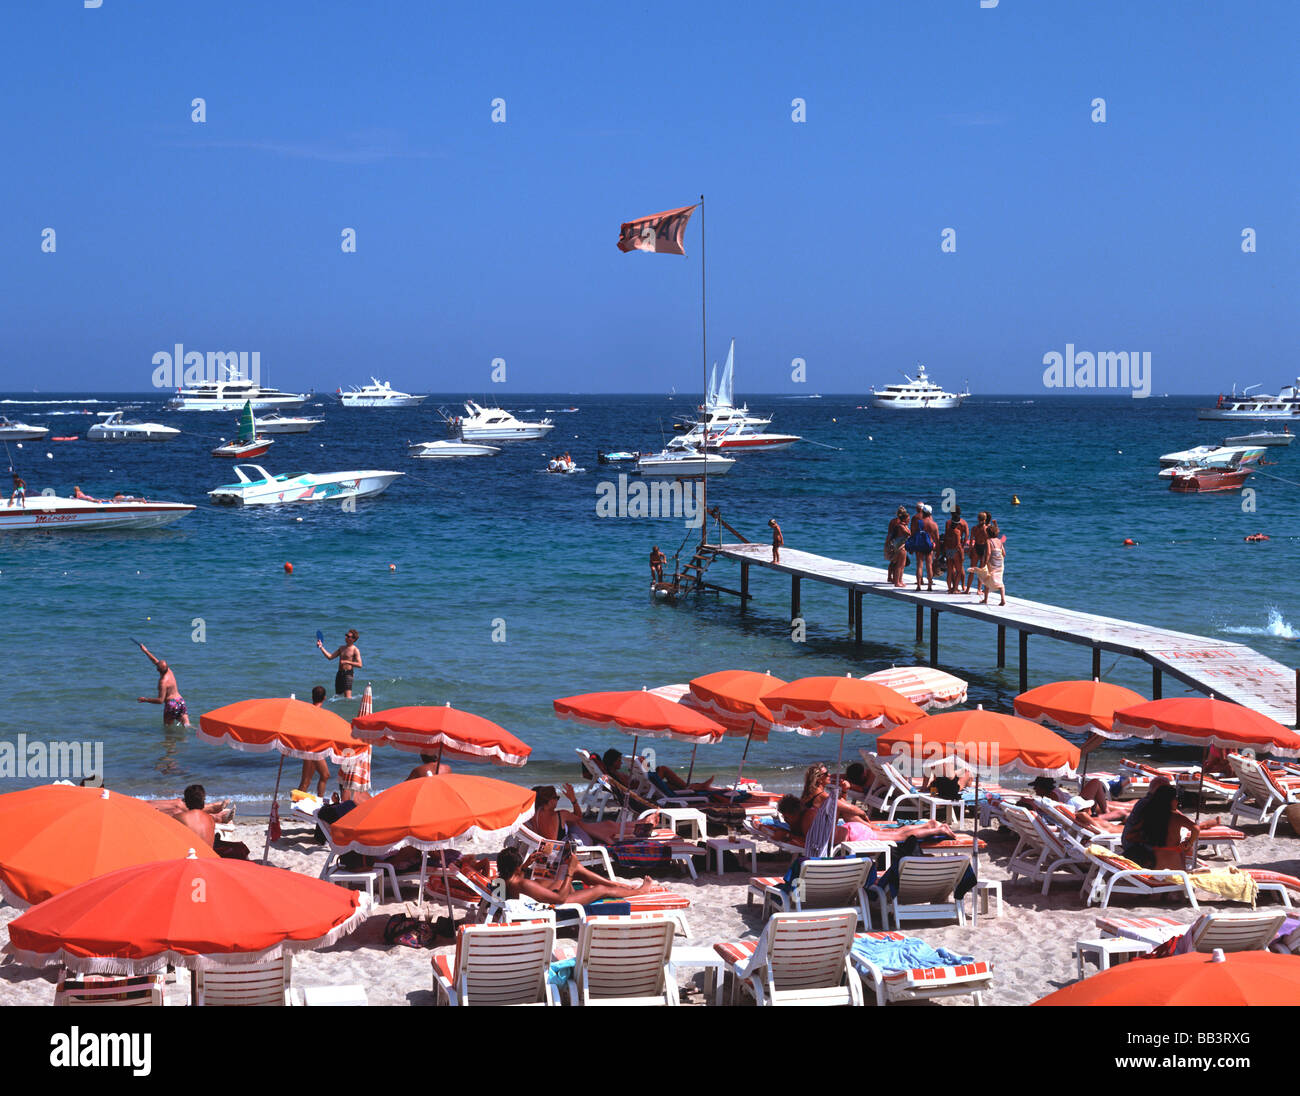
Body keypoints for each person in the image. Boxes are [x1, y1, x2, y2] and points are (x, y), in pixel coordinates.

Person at [495, 846, 655, 908]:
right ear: (516, 867)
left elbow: (506, 887)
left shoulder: (502, 880)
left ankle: (618, 885)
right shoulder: (523, 884)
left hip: (540, 899)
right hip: (556, 906)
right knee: (600, 889)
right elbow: (560, 899)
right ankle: (640, 892)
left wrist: (526, 865)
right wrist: (569, 874)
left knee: (570, 868)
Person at [1121, 783, 1219, 870]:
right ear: (1169, 800)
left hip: (1155, 863)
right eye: (1175, 798)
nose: (1178, 801)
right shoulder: (1176, 817)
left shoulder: (1150, 815)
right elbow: (1196, 828)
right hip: (1174, 864)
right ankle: (1212, 822)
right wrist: (1189, 843)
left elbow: (1131, 835)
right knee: (1188, 849)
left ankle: (1211, 822)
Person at [135, 641, 190, 726]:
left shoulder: (163, 682)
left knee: (168, 729)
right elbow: (154, 660)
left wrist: (145, 700)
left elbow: (160, 700)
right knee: (187, 725)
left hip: (171, 704)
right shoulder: (169, 671)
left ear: (157, 670)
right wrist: (145, 651)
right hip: (180, 701)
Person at [297, 685, 331, 797]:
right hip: (314, 749)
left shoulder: (308, 711)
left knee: (306, 780)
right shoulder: (321, 713)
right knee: (325, 774)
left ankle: (296, 805)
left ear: (312, 697)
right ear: (324, 698)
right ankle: (320, 802)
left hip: (308, 748)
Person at [318, 628, 362, 698]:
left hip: (348, 674)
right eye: (346, 635)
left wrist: (346, 661)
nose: (346, 637)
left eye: (348, 636)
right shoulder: (342, 648)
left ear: (353, 639)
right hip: (339, 673)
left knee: (348, 698)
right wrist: (321, 647)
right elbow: (330, 657)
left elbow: (360, 665)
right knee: (337, 696)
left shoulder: (355, 650)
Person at [942, 506, 968, 594]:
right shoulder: (960, 529)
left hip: (949, 549)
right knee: (960, 570)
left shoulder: (948, 526)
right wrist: (962, 552)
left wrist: (945, 549)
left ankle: (950, 588)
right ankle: (957, 588)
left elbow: (945, 538)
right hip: (956, 550)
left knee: (949, 571)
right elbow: (961, 542)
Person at [981, 519, 1007, 606]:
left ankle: (985, 599)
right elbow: (1004, 553)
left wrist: (985, 562)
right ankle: (1003, 599)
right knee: (1000, 581)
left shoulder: (988, 541)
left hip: (992, 564)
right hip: (1000, 564)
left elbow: (988, 553)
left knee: (987, 579)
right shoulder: (1000, 541)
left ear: (988, 534)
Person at [885, 506, 910, 587]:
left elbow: (890, 533)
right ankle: (897, 581)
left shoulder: (894, 521)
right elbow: (909, 533)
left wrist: (887, 543)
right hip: (899, 544)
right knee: (900, 564)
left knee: (895, 561)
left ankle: (892, 578)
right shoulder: (901, 525)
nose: (909, 520)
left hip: (893, 542)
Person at [965, 512, 989, 594]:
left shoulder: (974, 528)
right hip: (984, 549)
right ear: (985, 519)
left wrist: (969, 550)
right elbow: (989, 540)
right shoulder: (987, 529)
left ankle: (967, 589)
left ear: (978, 519)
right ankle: (978, 590)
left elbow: (971, 540)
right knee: (981, 571)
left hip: (976, 547)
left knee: (972, 570)